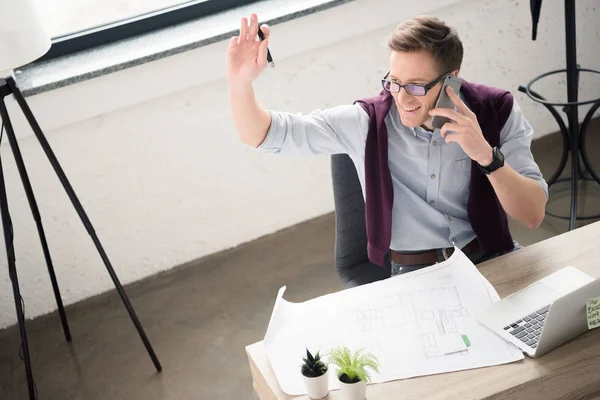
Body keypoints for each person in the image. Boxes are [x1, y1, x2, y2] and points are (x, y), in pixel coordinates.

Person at [226, 14, 548, 278]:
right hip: (415, 275)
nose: (401, 97)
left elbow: (532, 215)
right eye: (394, 81)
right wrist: (240, 83)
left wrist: (486, 156)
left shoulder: (496, 110)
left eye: (416, 86)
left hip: (491, 259)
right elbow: (264, 134)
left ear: (452, 78)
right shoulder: (366, 122)